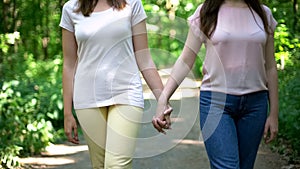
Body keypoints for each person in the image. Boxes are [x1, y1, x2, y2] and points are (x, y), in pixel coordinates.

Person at [152, 0, 279, 168]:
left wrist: (274, 114)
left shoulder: (264, 14)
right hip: (216, 104)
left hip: (255, 106)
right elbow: (185, 61)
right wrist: (163, 98)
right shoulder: (205, 12)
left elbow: (270, 66)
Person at [59, 0, 172, 168]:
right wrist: (67, 113)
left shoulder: (132, 4)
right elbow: (69, 64)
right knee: (99, 165)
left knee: (116, 165)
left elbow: (144, 58)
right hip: (87, 97)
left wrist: (163, 101)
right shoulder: (71, 8)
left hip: (126, 92)